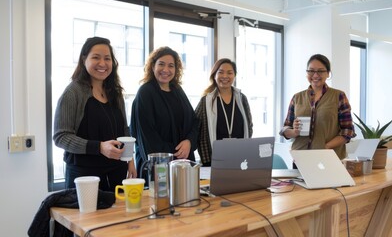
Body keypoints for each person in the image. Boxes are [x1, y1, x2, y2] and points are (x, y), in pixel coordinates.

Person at [53, 36, 137, 192]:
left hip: (117, 172)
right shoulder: (73, 93)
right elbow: (61, 137)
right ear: (84, 59)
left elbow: (124, 131)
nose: (102, 64)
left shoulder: (115, 92)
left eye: (107, 58)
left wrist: (130, 159)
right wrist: (99, 147)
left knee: (118, 216)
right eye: (96, 57)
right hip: (85, 176)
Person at [130, 46, 199, 178]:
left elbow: (194, 122)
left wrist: (189, 142)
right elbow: (147, 136)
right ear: (152, 67)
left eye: (171, 66)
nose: (166, 70)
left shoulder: (177, 90)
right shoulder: (145, 92)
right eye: (161, 64)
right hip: (158, 169)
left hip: (182, 165)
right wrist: (175, 154)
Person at [279, 54, 355, 161]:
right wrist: (294, 132)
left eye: (320, 71)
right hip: (300, 158)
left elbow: (348, 131)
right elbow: (285, 128)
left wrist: (326, 147)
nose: (315, 75)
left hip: (328, 158)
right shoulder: (297, 97)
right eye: (311, 71)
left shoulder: (339, 96)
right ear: (307, 73)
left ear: (328, 73)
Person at [195, 58, 253, 166]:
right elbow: (195, 128)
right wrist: (206, 159)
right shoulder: (206, 101)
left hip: (239, 158)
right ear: (214, 75)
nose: (225, 76)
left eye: (229, 73)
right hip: (214, 160)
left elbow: (249, 126)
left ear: (234, 76)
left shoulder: (241, 98)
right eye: (220, 72)